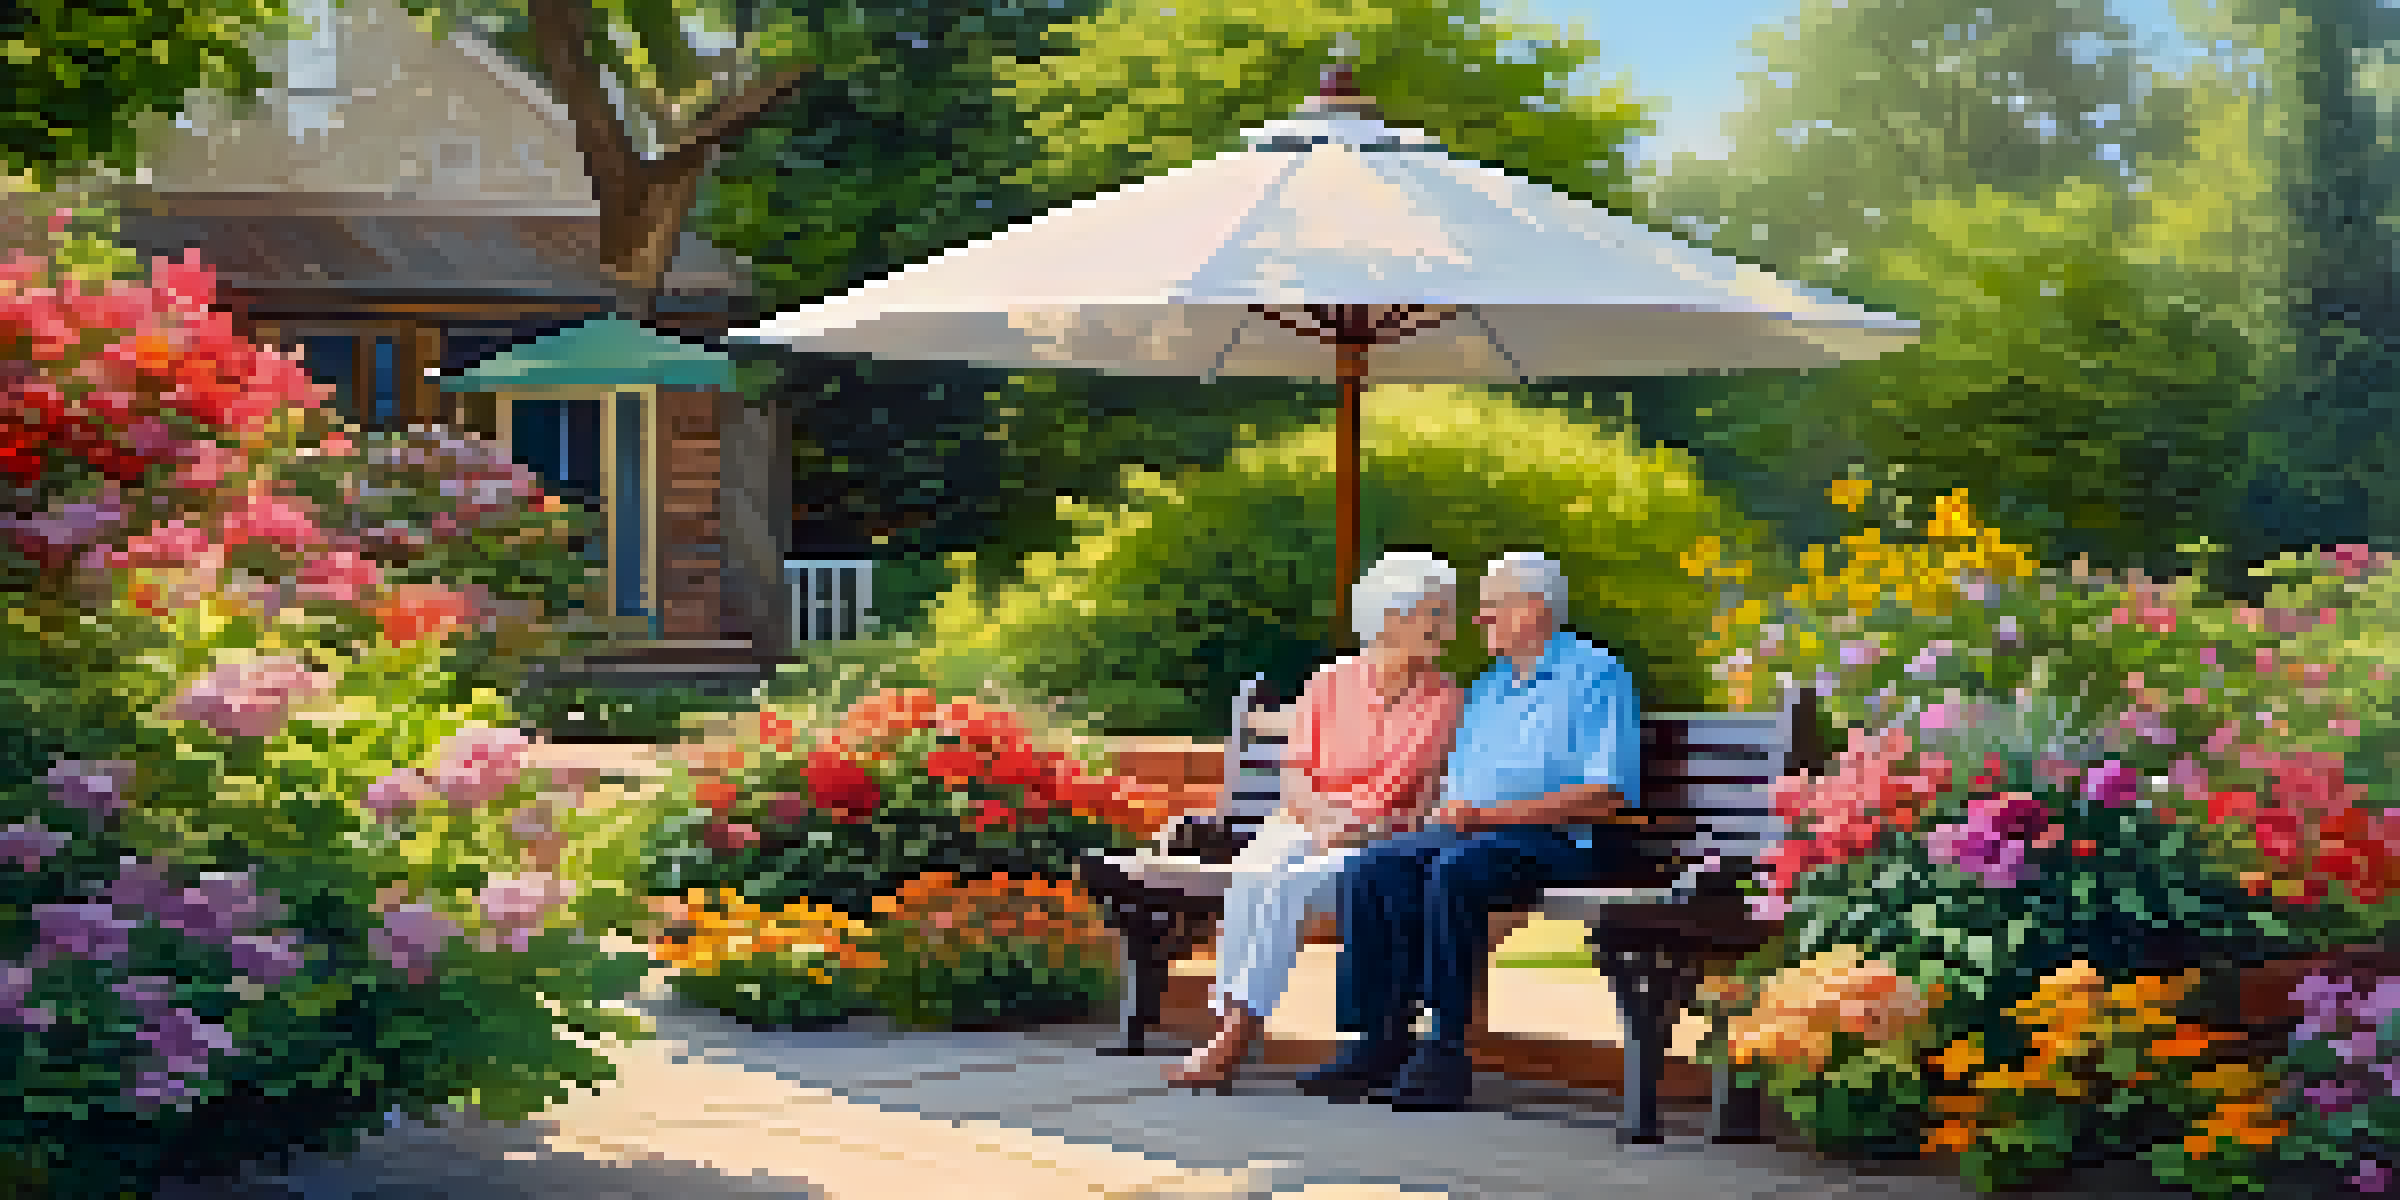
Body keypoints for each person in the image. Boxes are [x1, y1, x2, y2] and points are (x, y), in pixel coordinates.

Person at [1294, 551, 1641, 1111]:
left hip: (1556, 841)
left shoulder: (1596, 676)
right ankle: (1377, 1039)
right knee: (1374, 866)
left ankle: (1445, 1050)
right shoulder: (1489, 687)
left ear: (1533, 609)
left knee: (1455, 870)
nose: (1478, 620)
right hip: (1474, 833)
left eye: (1490, 608)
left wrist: (1484, 817)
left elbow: (1607, 795)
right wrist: (1442, 815)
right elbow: (1460, 788)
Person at [1162, 551, 1467, 1092]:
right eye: (1436, 613)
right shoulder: (1330, 682)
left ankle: (1232, 1037)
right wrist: (1323, 820)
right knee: (1253, 877)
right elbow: (1296, 774)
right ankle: (1225, 1025)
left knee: (1291, 887)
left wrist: (1357, 829)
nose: (1450, 626)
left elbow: (1420, 800)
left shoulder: (1446, 700)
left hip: (1378, 838)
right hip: (1303, 822)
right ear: (1392, 618)